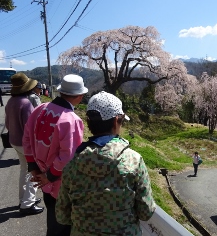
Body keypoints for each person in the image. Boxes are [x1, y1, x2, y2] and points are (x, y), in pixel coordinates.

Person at [56, 91, 156, 235]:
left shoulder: (73, 164)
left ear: (89, 122)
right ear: (116, 121)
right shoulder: (133, 160)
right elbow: (146, 212)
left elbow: (62, 216)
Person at [23, 74, 88, 236]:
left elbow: (27, 139)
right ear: (79, 97)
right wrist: (49, 176)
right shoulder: (72, 120)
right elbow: (68, 157)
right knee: (63, 226)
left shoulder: (40, 109)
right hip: (60, 184)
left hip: (42, 178)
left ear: (60, 92)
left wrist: (34, 169)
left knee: (52, 218)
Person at [5, 73, 44, 215]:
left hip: (14, 142)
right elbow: (32, 128)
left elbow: (8, 124)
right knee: (33, 172)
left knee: (24, 171)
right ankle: (27, 204)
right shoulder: (26, 103)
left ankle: (24, 199)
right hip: (26, 145)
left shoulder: (11, 101)